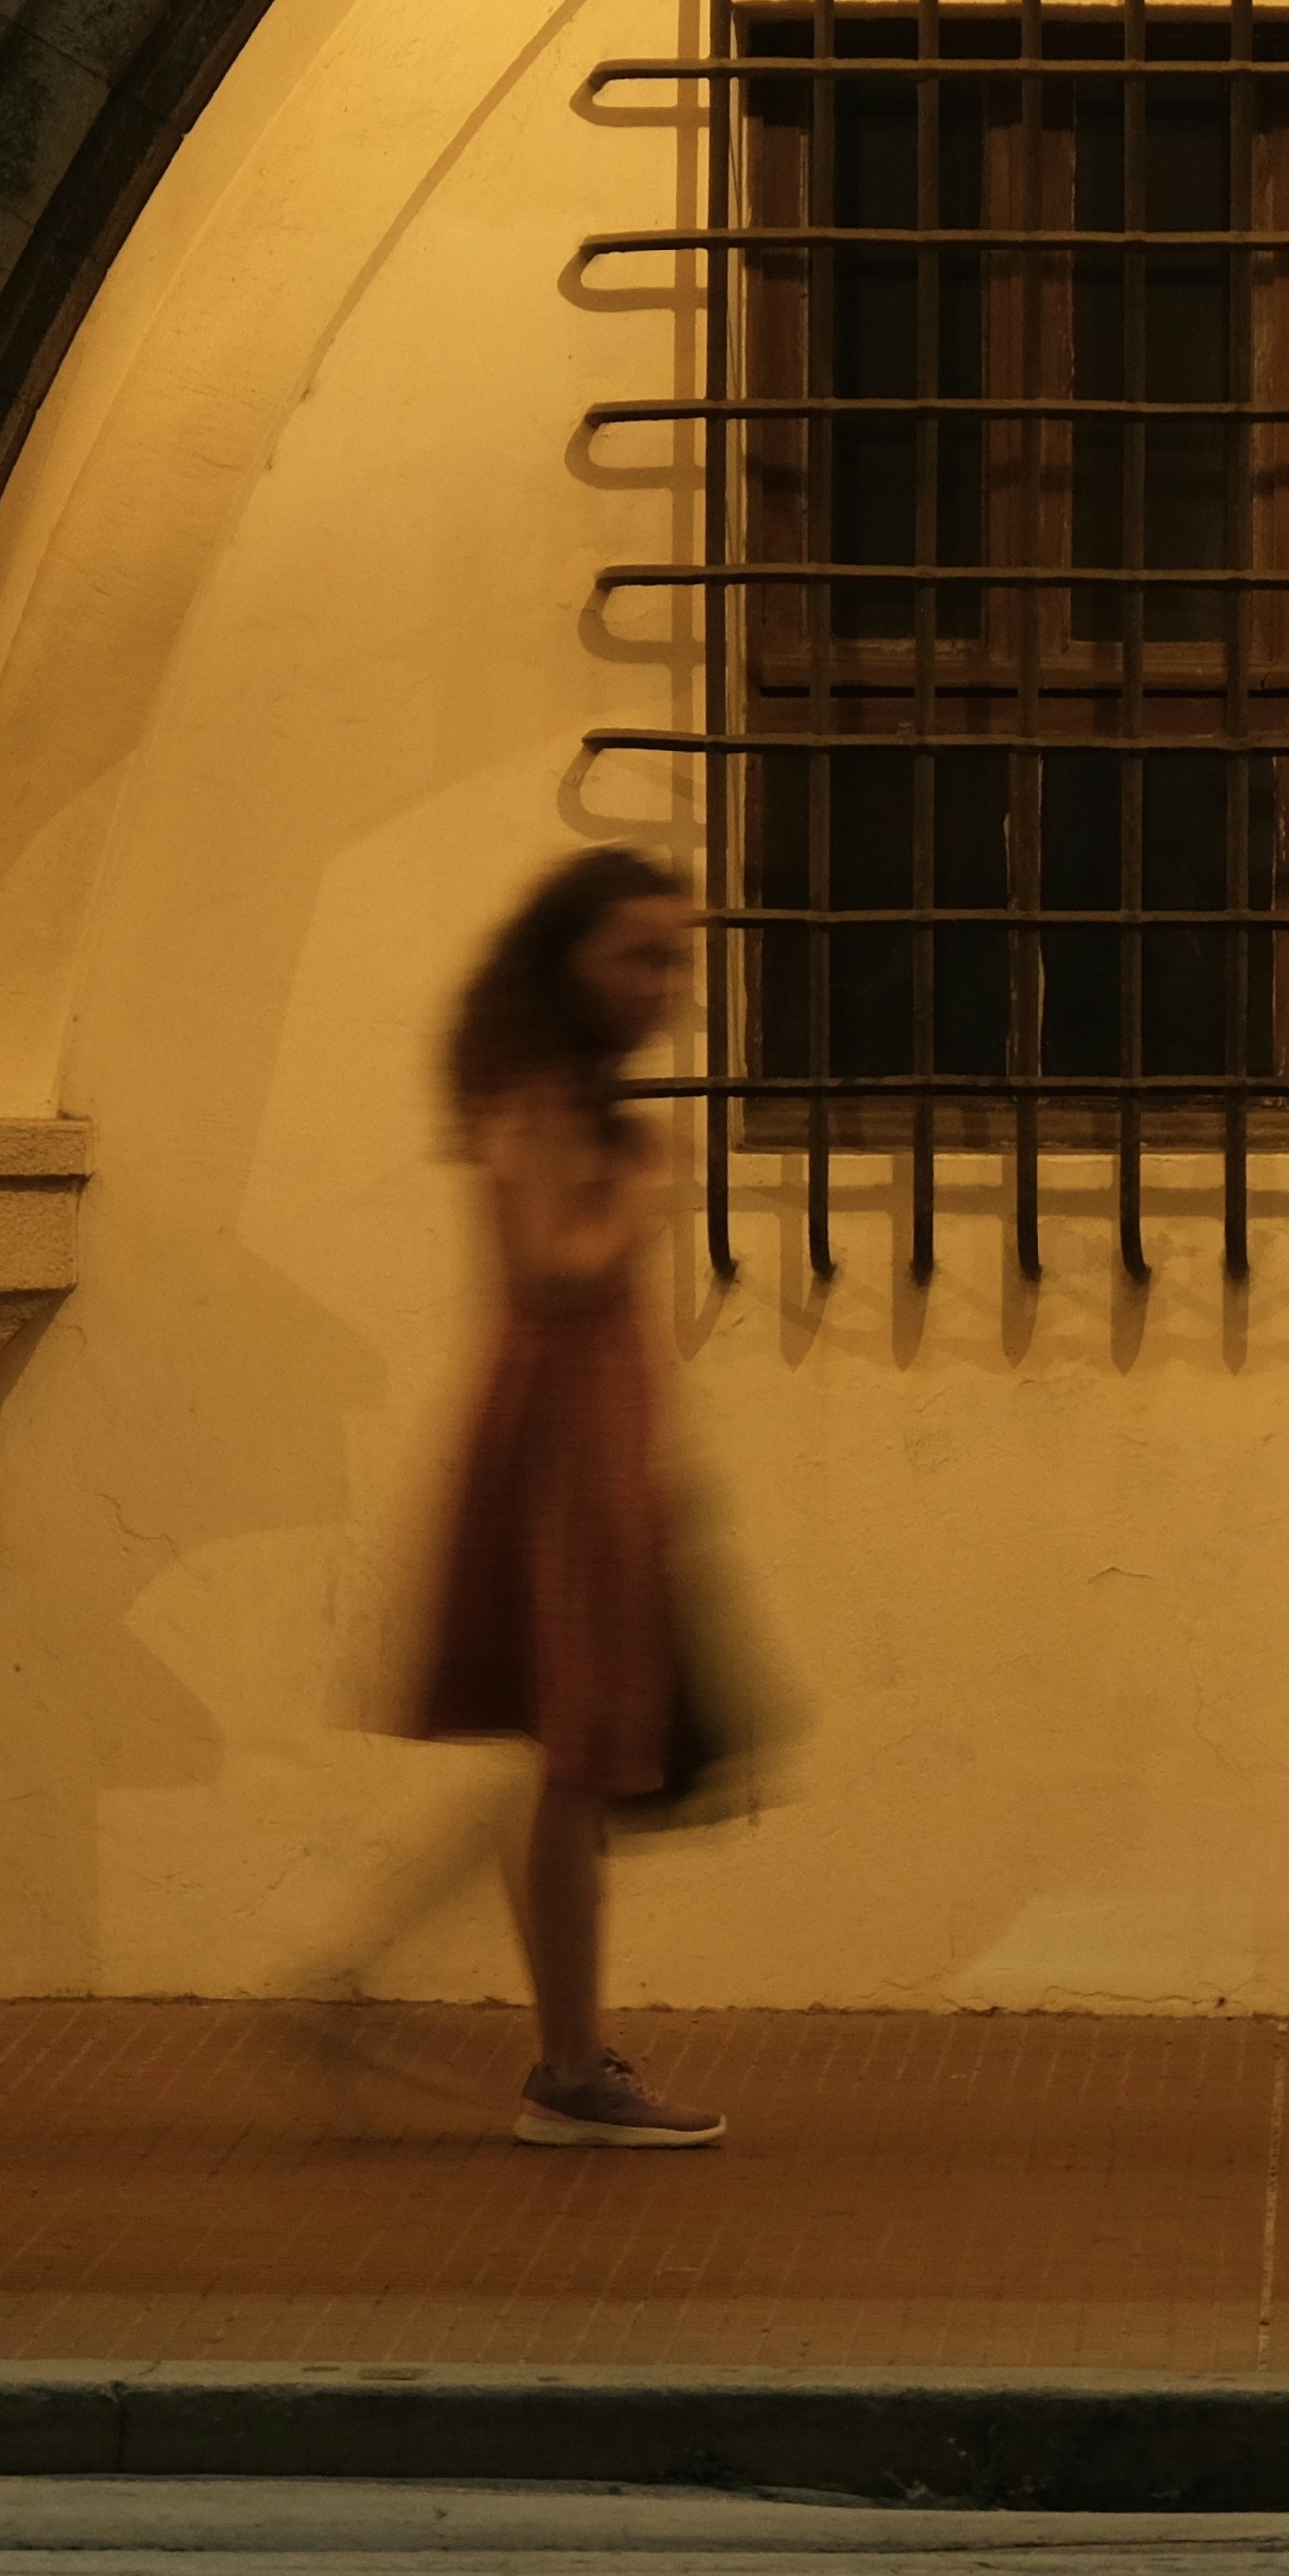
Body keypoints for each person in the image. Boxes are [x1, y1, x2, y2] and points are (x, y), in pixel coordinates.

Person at [408, 846, 729, 2150]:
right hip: (559, 1440)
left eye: (677, 958)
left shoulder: (558, 1088)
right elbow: (548, 1267)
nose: (664, 985)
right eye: (641, 955)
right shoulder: (540, 1092)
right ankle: (568, 2067)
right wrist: (644, 1189)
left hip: (581, 1428)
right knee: (579, 1751)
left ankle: (569, 2051)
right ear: (570, 955)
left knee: (573, 1755)